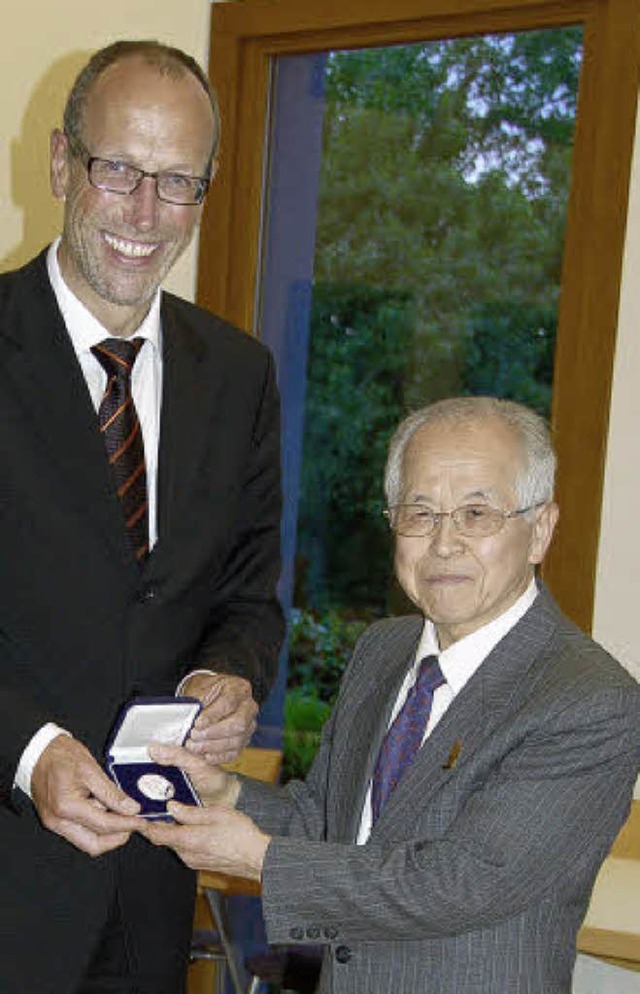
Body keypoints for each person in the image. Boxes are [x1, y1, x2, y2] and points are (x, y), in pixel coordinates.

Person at [143, 396, 640, 994]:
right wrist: (225, 792)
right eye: (420, 512)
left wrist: (260, 861)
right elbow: (332, 824)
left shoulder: (589, 699)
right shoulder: (383, 650)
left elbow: (461, 881)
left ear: (540, 530)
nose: (444, 543)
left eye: (477, 514)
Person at [0, 40, 283, 994]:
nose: (146, 214)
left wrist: (232, 674)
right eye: (118, 170)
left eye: (179, 183)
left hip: (151, 905)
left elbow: (249, 596)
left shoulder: (239, 377)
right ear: (58, 163)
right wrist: (30, 752)